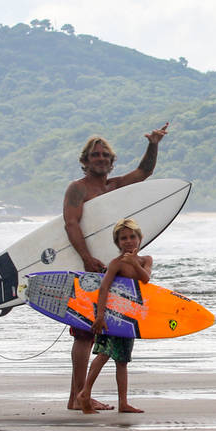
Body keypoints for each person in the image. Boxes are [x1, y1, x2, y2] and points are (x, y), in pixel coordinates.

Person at [64, 123, 168, 411]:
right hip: (86, 267)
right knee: (83, 331)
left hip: (113, 268)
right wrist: (85, 257)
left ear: (111, 161)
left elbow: (144, 172)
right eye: (95, 155)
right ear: (85, 161)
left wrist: (154, 144)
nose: (100, 159)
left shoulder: (116, 186)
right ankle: (76, 397)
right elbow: (71, 224)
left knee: (103, 331)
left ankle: (81, 395)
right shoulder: (77, 189)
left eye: (105, 156)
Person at [78, 218, 152, 414]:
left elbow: (146, 279)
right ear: (117, 243)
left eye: (132, 237)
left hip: (129, 318)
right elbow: (103, 288)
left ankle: (123, 403)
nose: (128, 241)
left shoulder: (146, 260)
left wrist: (134, 263)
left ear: (140, 238)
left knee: (122, 360)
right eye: (123, 238)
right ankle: (84, 394)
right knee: (104, 354)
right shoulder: (115, 264)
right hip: (111, 315)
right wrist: (100, 316)